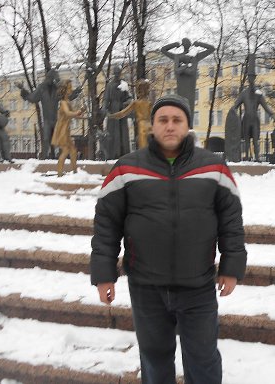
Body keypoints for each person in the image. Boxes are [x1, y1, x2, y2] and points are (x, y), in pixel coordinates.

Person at [91, 93, 246, 384]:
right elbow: (106, 225)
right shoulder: (126, 168)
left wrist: (231, 267)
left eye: (177, 120)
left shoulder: (214, 168)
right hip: (146, 287)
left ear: (187, 125)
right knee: (154, 358)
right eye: (163, 120)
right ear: (153, 126)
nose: (170, 126)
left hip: (198, 285)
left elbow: (231, 222)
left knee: (203, 358)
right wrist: (104, 274)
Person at [17, 68, 82, 159]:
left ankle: (59, 157)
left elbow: (67, 97)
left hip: (55, 119)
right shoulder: (42, 88)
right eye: (54, 78)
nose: (56, 80)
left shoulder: (56, 89)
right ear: (50, 77)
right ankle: (45, 158)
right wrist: (23, 90)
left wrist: (76, 91)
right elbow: (32, 98)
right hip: (47, 119)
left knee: (58, 138)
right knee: (46, 139)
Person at [230, 56, 275, 161]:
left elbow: (265, 106)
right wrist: (232, 111)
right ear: (248, 78)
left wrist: (272, 114)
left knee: (256, 140)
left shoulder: (258, 94)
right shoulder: (244, 93)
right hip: (246, 120)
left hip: (255, 120)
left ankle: (257, 157)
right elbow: (235, 105)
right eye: (249, 77)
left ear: (254, 78)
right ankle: (247, 157)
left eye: (252, 77)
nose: (251, 79)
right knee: (246, 140)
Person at [161, 38, 215, 114]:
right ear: (183, 45)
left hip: (190, 86)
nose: (187, 44)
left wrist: (199, 43)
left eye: (187, 43)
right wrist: (175, 44)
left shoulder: (194, 57)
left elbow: (212, 49)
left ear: (189, 45)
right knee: (182, 108)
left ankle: (189, 121)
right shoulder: (178, 57)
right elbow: (163, 50)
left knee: (189, 108)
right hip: (181, 86)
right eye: (185, 43)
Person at [51, 80, 87, 177]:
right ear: (64, 90)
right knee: (66, 150)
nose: (71, 89)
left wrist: (82, 114)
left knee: (73, 151)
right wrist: (78, 112)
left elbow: (73, 115)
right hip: (61, 130)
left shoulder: (67, 102)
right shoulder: (63, 102)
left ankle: (75, 172)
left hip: (66, 130)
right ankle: (59, 173)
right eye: (69, 88)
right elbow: (68, 113)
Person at [108, 79, 152, 149]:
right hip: (150, 126)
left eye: (140, 89)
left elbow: (123, 113)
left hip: (142, 127)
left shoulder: (136, 103)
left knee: (143, 147)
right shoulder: (149, 103)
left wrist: (112, 116)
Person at [102, 65, 132, 159]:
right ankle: (112, 154)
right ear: (113, 73)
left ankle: (123, 153)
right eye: (115, 73)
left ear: (120, 73)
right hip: (112, 111)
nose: (117, 75)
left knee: (123, 132)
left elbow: (129, 97)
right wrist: (105, 109)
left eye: (118, 73)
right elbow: (106, 99)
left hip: (122, 111)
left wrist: (127, 102)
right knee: (112, 132)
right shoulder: (110, 85)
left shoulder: (124, 84)